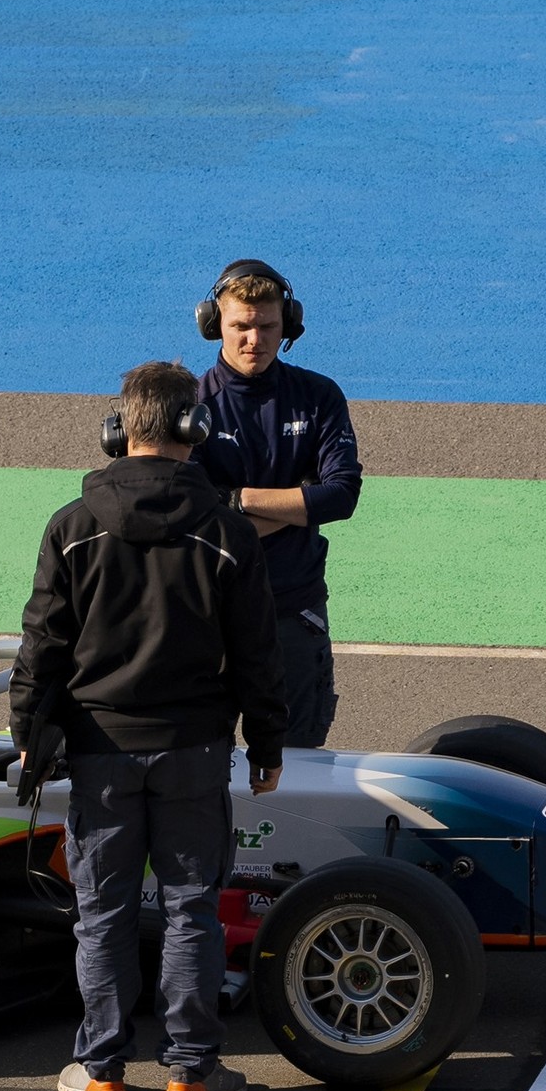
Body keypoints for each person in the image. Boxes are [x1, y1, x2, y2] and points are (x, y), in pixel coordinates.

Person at [11, 359, 288, 1091]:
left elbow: (42, 644)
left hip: (98, 748)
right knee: (192, 906)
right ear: (196, 429)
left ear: (117, 430)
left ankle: (101, 1070)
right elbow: (259, 655)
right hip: (195, 747)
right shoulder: (228, 531)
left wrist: (28, 730)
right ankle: (191, 1073)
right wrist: (267, 745)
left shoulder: (71, 527)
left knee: (102, 912)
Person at [191, 261, 362, 747]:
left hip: (293, 609)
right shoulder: (190, 406)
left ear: (287, 323)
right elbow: (194, 516)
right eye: (240, 326)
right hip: (209, 614)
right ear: (214, 324)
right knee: (200, 760)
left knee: (298, 760)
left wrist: (236, 499)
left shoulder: (318, 397)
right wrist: (296, 503)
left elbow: (341, 495)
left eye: (267, 326)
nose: (255, 340)